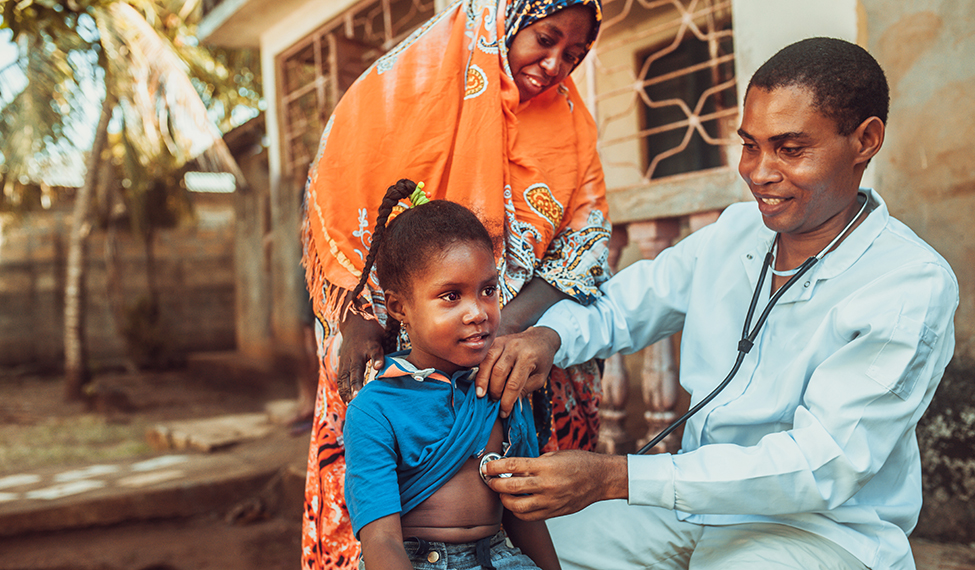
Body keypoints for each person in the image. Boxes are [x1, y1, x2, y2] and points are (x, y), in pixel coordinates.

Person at [477, 37, 959, 569]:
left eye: (790, 149)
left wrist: (615, 477)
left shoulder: (909, 282)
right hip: (689, 511)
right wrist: (550, 336)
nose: (758, 171)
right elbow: (622, 306)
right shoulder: (734, 231)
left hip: (821, 535)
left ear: (865, 140)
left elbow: (820, 467)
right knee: (504, 546)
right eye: (750, 145)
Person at [299, 0, 611, 567]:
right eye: (543, 39)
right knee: (380, 511)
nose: (555, 63)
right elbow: (340, 213)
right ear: (508, 21)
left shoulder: (572, 125)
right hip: (391, 345)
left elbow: (583, 247)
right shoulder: (401, 92)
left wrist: (503, 331)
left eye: (574, 53)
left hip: (511, 360)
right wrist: (360, 320)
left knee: (528, 488)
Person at [344, 179, 560, 570]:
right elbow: (381, 542)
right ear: (399, 307)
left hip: (502, 558)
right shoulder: (375, 411)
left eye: (488, 290)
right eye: (451, 296)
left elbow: (523, 512)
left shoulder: (502, 385)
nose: (478, 312)